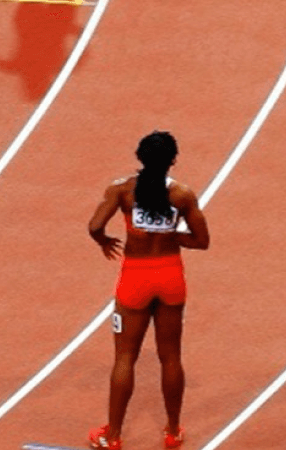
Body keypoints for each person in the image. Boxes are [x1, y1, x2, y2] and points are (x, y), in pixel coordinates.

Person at [86, 131, 209, 450]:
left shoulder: (121, 190)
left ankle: (111, 436)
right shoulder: (182, 195)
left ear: (140, 157)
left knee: (125, 357)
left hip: (135, 279)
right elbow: (202, 241)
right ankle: (172, 431)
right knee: (171, 356)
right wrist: (172, 236)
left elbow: (95, 226)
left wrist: (105, 243)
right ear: (173, 160)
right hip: (169, 276)